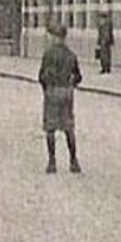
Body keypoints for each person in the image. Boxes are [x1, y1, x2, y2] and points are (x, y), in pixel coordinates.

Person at [38, 21, 83, 174]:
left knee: (50, 128)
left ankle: (52, 162)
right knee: (68, 128)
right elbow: (78, 77)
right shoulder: (71, 55)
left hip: (52, 93)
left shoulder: (48, 54)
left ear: (56, 37)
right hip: (66, 94)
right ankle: (73, 161)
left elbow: (41, 76)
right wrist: (71, 86)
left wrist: (46, 88)